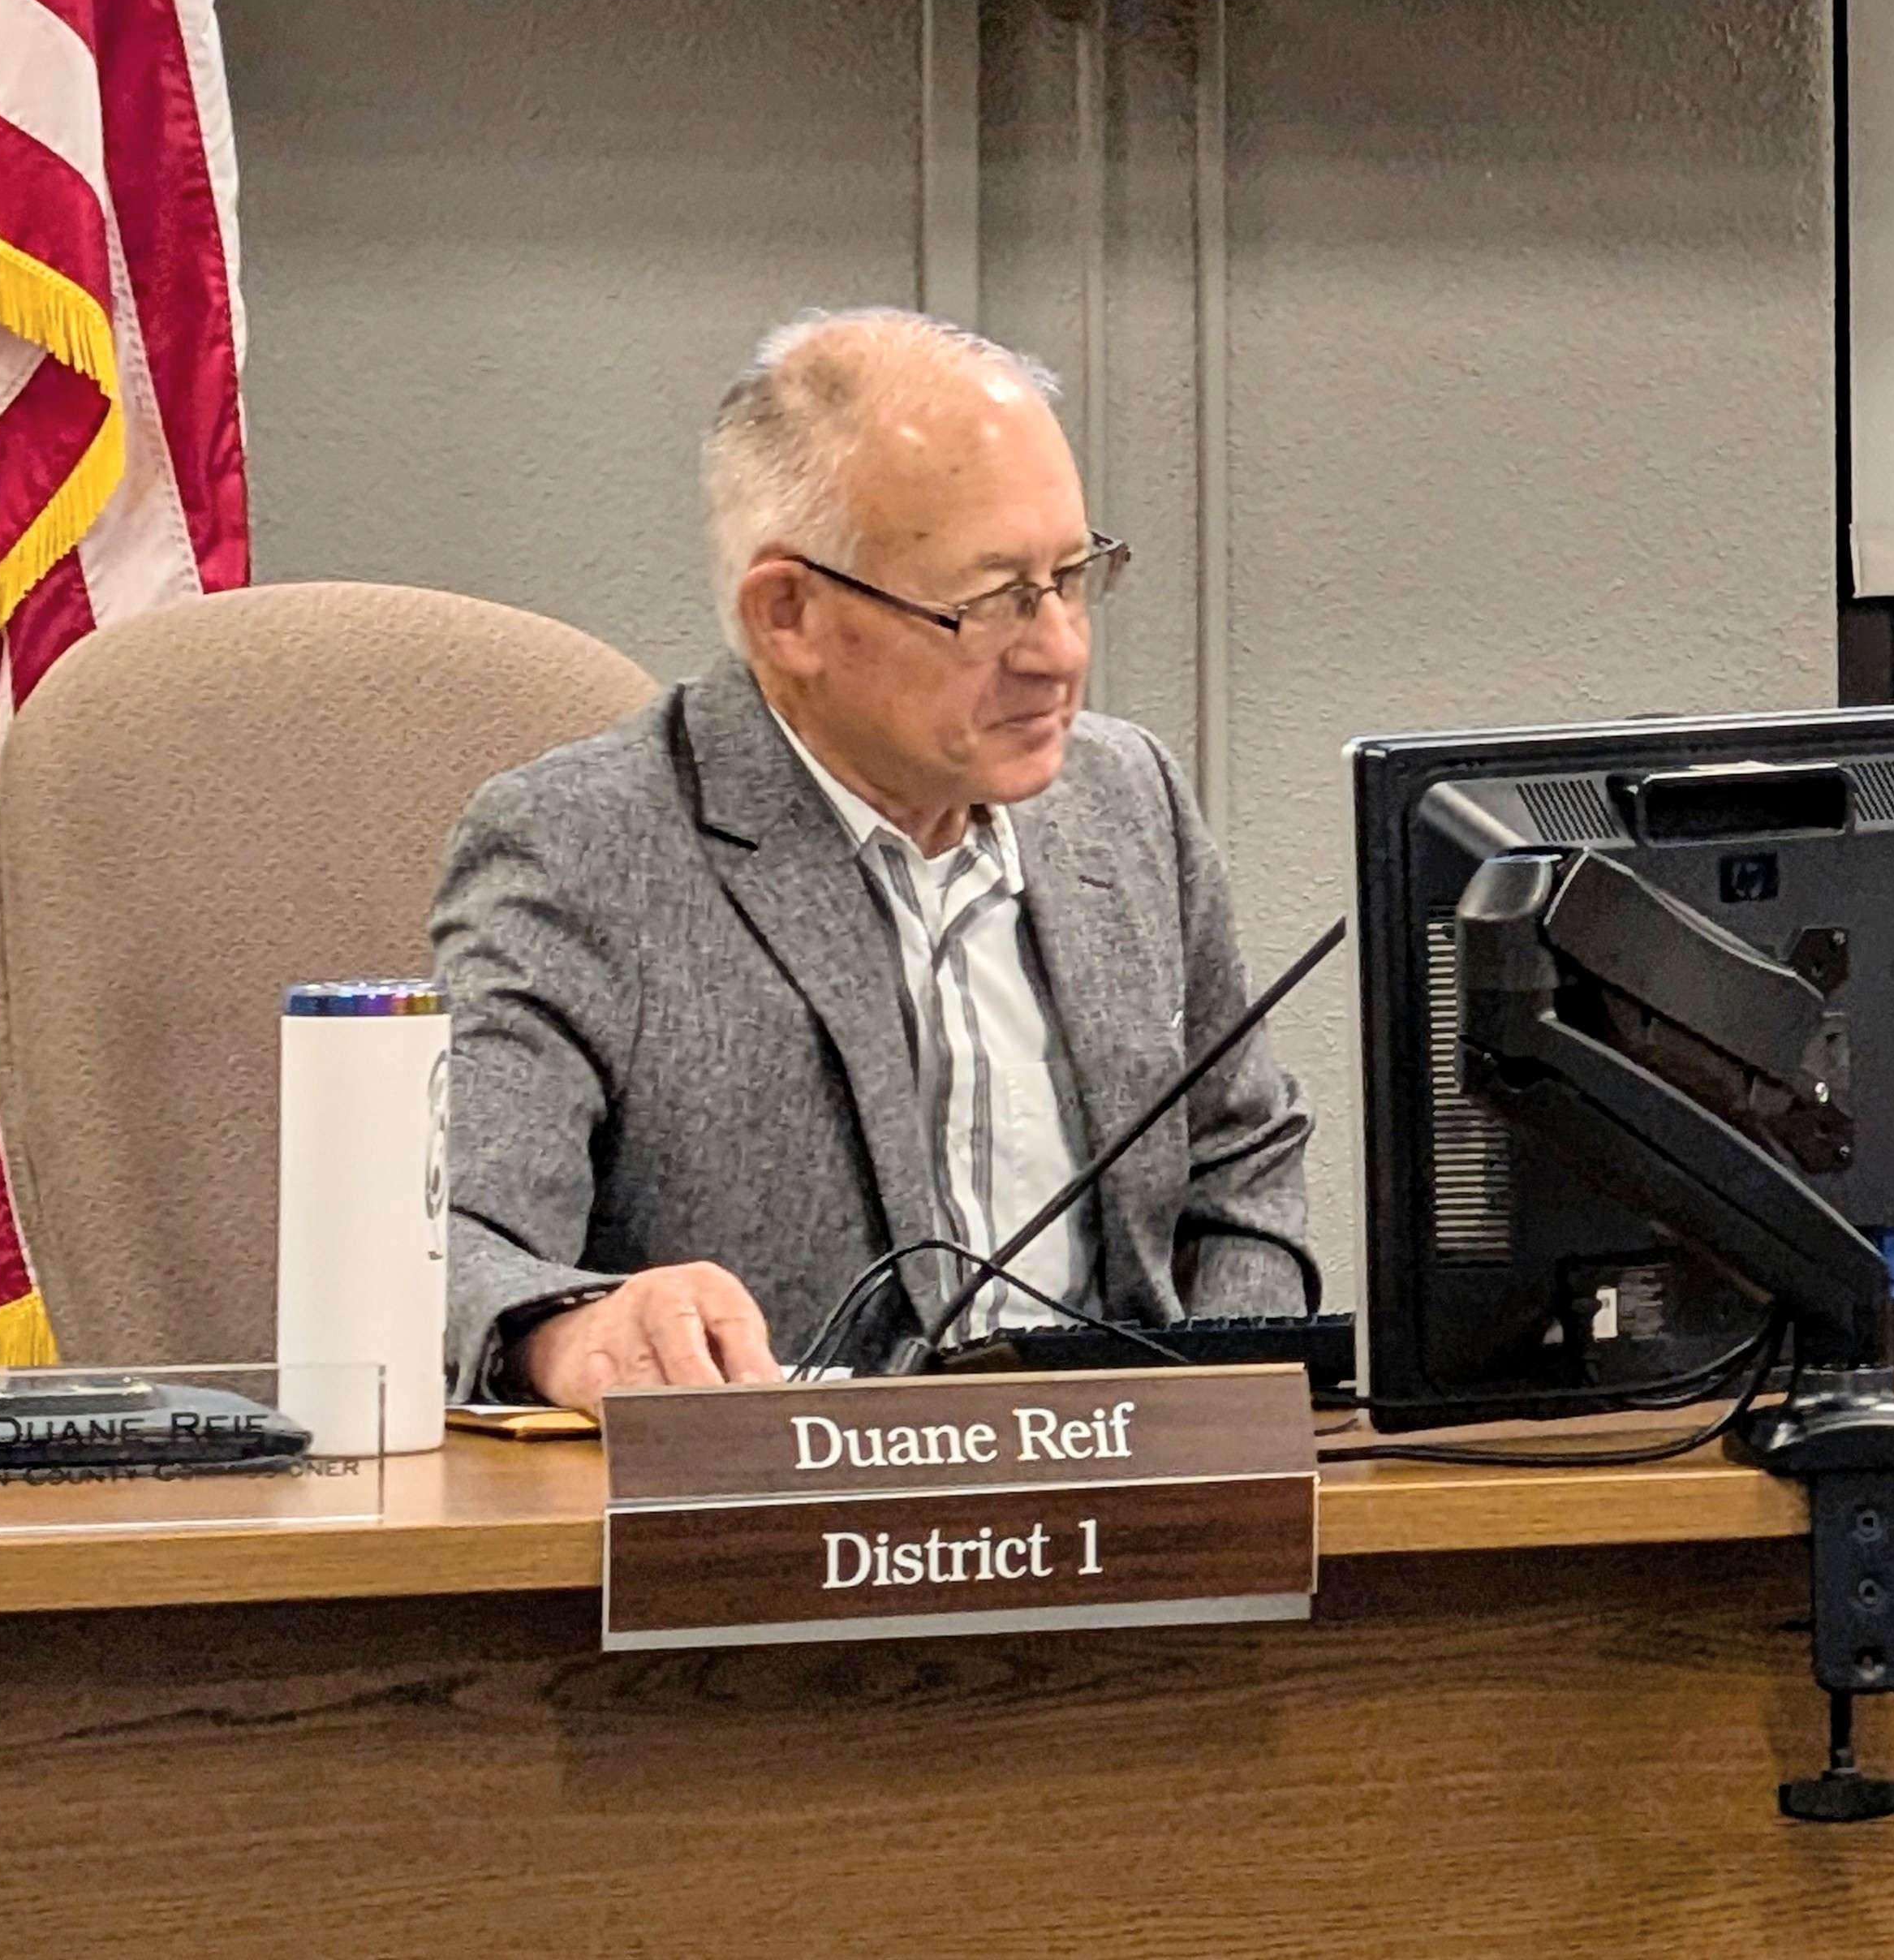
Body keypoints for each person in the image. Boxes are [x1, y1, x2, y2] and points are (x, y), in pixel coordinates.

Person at [433, 308, 1318, 1407]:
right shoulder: (581, 850)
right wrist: (573, 1331)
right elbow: (453, 1247)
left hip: (1131, 1518)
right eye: (993, 603)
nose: (1061, 652)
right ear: (788, 614)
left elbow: (1243, 1173)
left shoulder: (1128, 802)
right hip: (786, 1534)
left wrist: (1225, 1419)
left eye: (1073, 575)